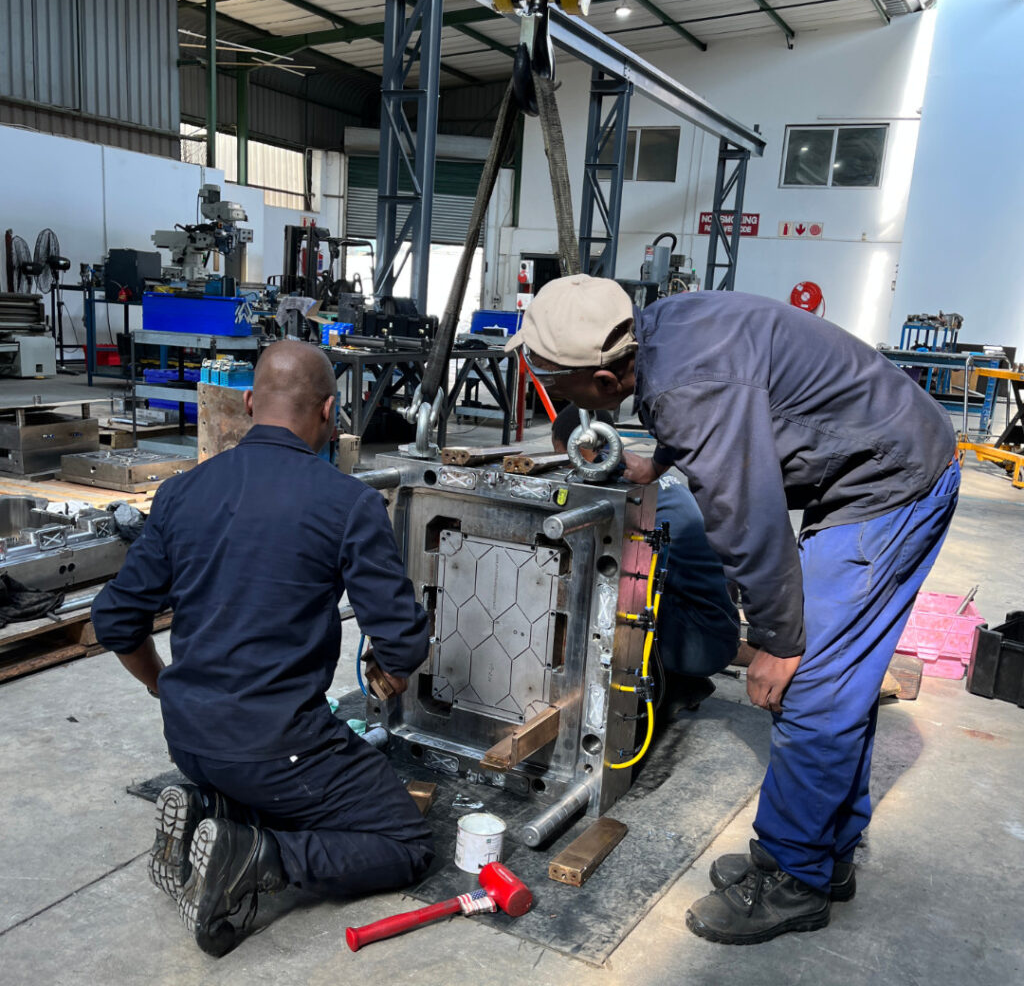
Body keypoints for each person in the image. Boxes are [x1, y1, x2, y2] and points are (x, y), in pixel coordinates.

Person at [507, 275, 958, 945]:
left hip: (888, 482)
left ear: (605, 381)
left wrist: (778, 638)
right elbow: (733, 405)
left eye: (551, 376)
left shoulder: (686, 389)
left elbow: (750, 518)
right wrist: (657, 462)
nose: (543, 383)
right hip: (873, 454)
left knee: (811, 689)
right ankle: (825, 854)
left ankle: (793, 879)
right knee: (839, 682)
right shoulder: (663, 328)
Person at [92, 340, 434, 957]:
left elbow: (116, 620)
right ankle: (261, 856)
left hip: (188, 740)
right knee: (406, 841)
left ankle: (210, 808)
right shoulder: (348, 502)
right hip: (283, 753)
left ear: (250, 402)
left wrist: (161, 684)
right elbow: (402, 641)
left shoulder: (180, 493)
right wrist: (396, 667)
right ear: (330, 411)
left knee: (265, 774)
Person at [549, 405, 740, 708]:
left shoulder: (613, 486)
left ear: (582, 447)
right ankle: (678, 683)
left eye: (562, 455)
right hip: (716, 627)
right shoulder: (648, 476)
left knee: (587, 593)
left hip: (698, 641)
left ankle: (642, 692)